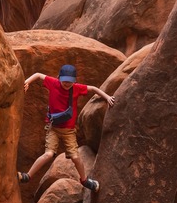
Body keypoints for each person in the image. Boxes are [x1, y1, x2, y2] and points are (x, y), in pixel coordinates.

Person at [17, 64, 115, 192]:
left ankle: (84, 180)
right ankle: (27, 176)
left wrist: (107, 97)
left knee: (75, 157)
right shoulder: (53, 83)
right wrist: (27, 82)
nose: (67, 84)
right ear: (59, 78)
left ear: (74, 81)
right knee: (48, 154)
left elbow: (93, 89)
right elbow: (38, 75)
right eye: (65, 81)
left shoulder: (76, 88)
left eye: (70, 82)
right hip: (53, 128)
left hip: (69, 131)